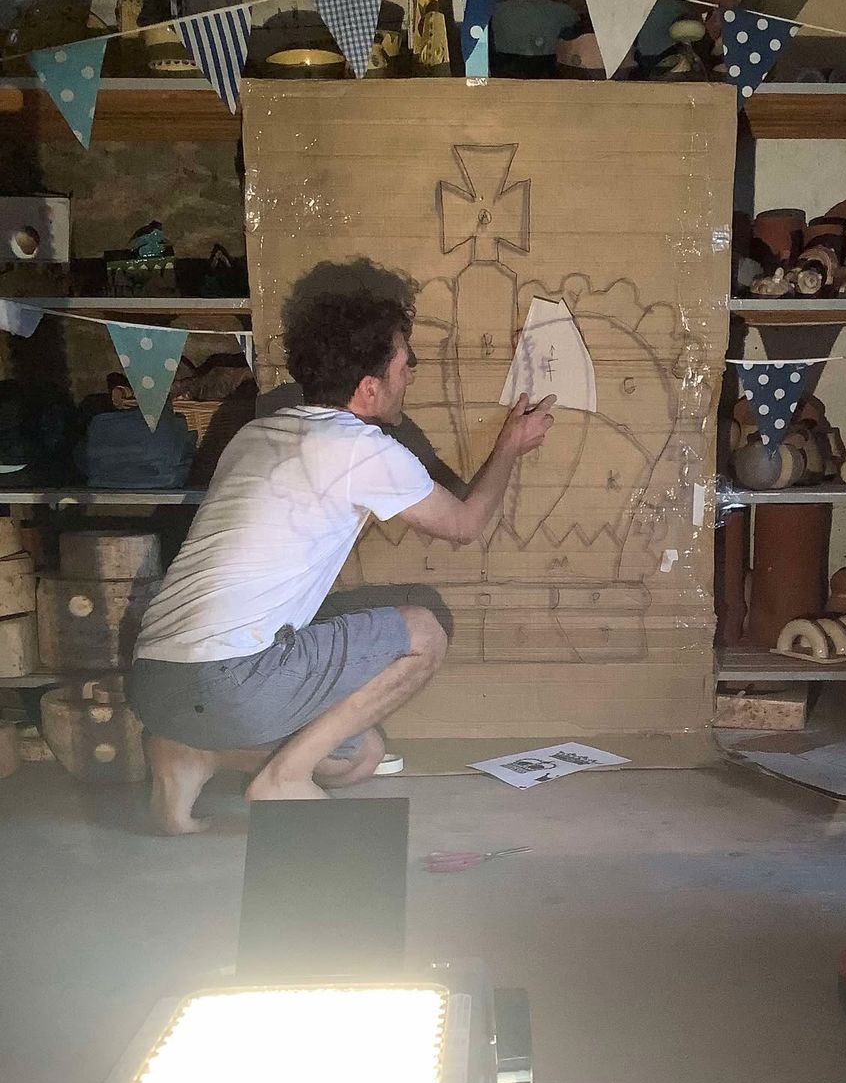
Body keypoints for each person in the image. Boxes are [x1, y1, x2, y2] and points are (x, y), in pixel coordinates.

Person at [127, 288, 555, 834]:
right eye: (405, 364)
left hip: (153, 682)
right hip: (229, 682)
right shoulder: (361, 448)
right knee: (424, 633)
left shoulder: (254, 434)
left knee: (359, 754)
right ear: (369, 388)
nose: (412, 375)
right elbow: (466, 524)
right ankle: (283, 777)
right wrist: (511, 445)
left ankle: (192, 755)